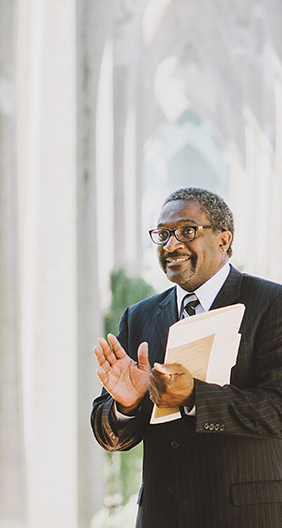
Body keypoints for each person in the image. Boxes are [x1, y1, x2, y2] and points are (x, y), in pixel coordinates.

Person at [91, 187, 282, 527]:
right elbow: (111, 437)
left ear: (224, 240)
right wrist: (126, 405)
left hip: (246, 514)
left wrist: (195, 397)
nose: (171, 244)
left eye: (186, 231)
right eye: (162, 234)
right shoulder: (139, 316)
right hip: (163, 516)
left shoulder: (271, 304)